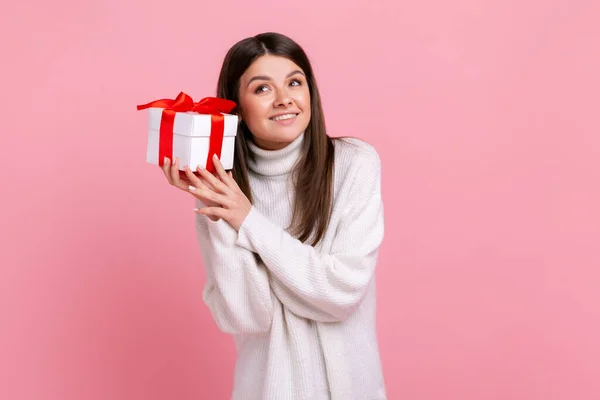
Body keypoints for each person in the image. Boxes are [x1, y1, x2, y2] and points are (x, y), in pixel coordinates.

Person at [161, 32, 386, 400]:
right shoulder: (223, 190)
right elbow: (247, 317)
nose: (285, 99)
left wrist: (248, 222)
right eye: (262, 89)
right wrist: (219, 213)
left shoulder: (353, 164)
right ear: (236, 107)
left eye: (295, 83)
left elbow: (341, 292)